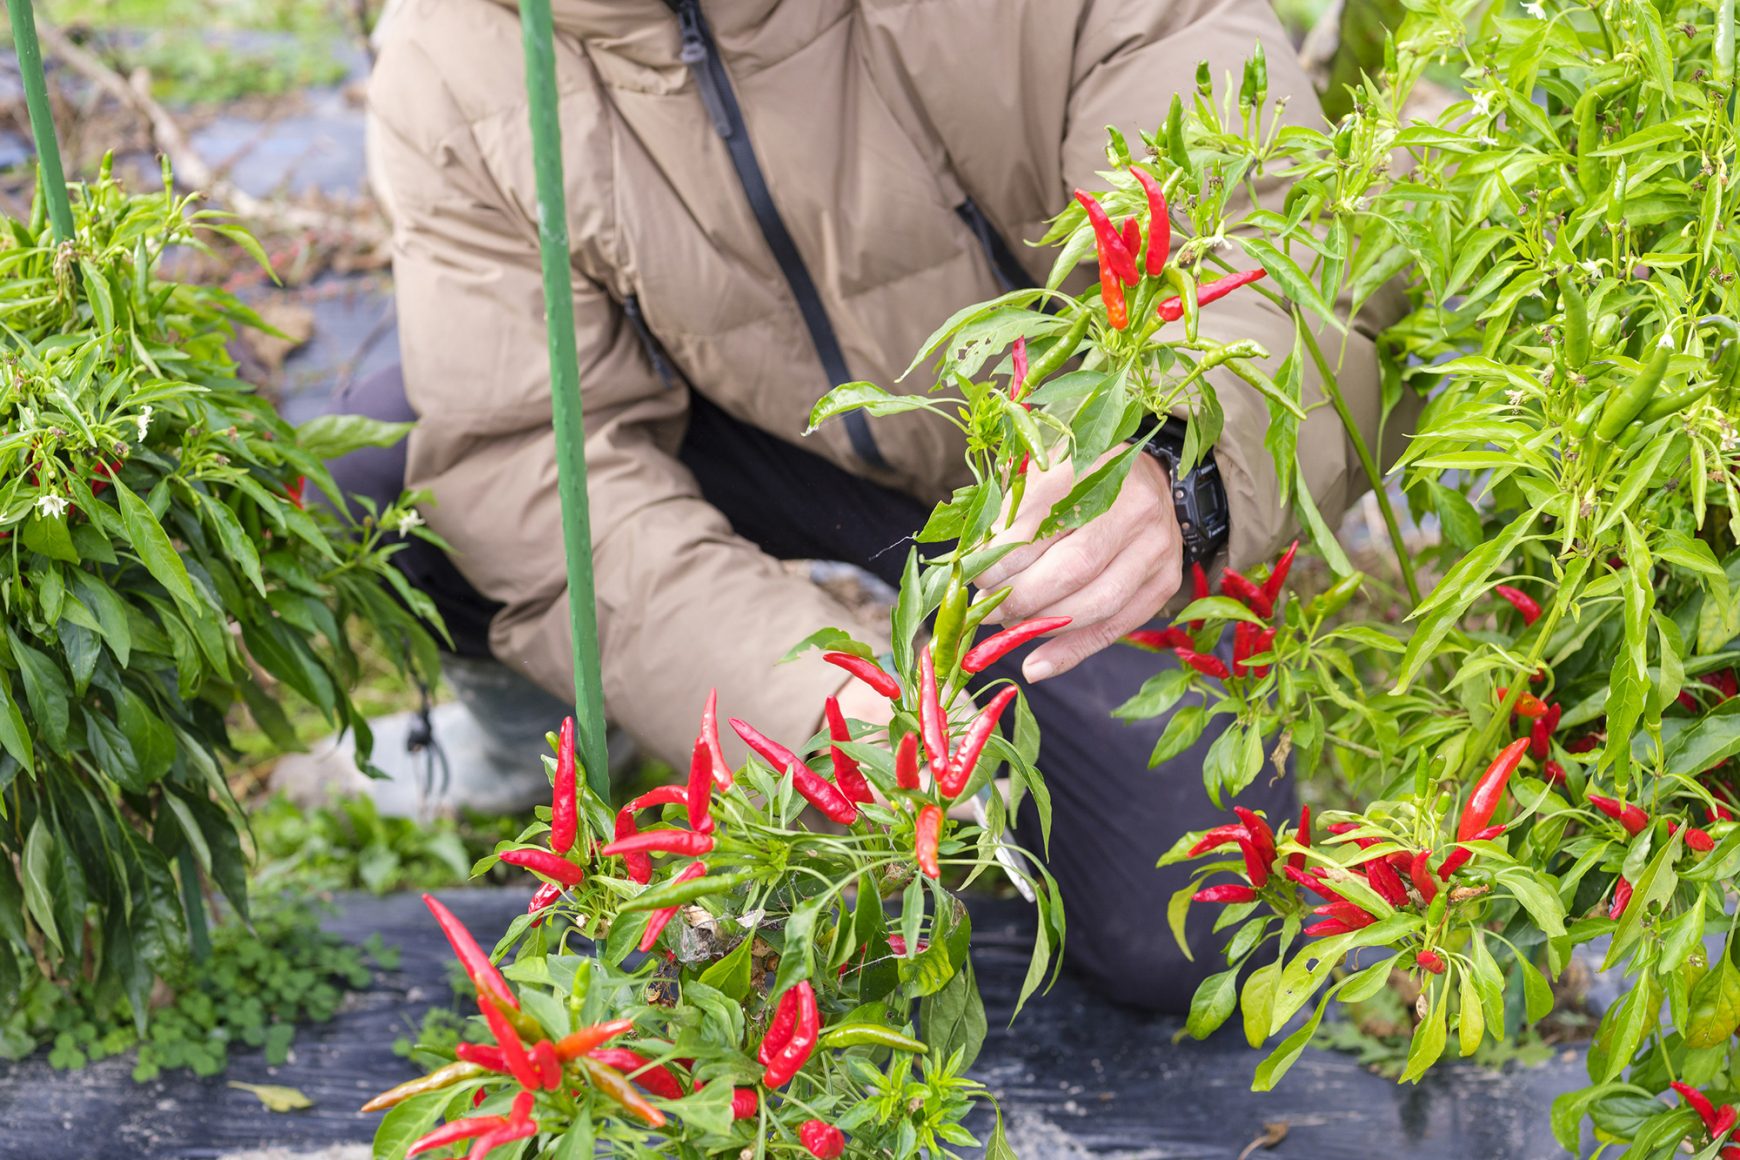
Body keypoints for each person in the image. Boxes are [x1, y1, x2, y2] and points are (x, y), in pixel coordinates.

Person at [352, 0, 1396, 1012]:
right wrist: (825, 707)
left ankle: (1078, 619)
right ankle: (545, 737)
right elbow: (527, 450)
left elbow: (1265, 225)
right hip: (772, 435)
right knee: (396, 464)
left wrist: (1173, 455)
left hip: (1049, 478)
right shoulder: (460, 53)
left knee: (1185, 926)